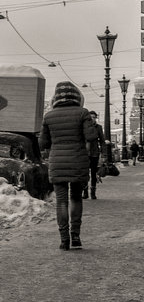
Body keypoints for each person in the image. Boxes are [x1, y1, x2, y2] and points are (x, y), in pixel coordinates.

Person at [40, 81, 100, 250]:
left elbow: (43, 143)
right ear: (77, 96)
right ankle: (76, 236)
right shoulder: (83, 113)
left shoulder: (49, 116)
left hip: (57, 162)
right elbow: (91, 137)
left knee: (61, 201)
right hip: (78, 161)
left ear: (55, 98)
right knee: (75, 197)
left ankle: (64, 239)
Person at [86, 111, 104, 199]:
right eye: (90, 117)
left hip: (94, 153)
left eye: (94, 117)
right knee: (84, 173)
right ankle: (85, 191)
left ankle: (93, 192)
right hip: (85, 153)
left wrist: (103, 154)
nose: (92, 119)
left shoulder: (98, 128)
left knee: (93, 173)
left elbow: (102, 141)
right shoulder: (84, 127)